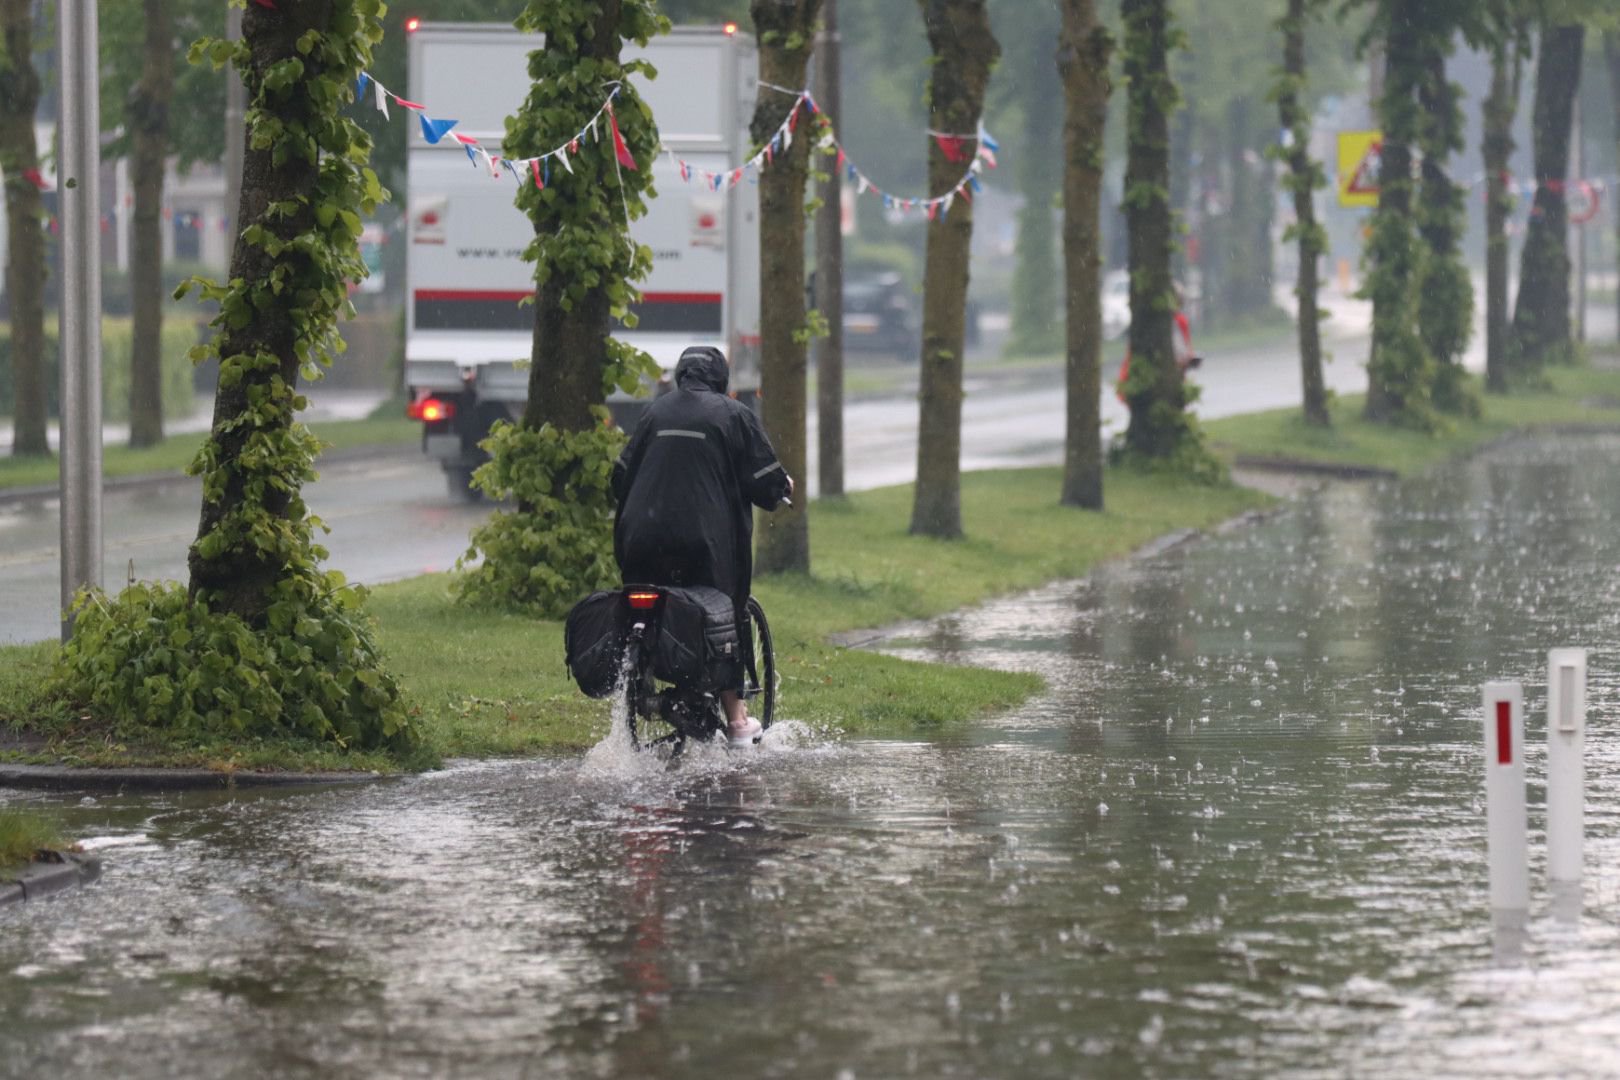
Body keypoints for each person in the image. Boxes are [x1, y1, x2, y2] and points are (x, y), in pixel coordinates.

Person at [611, 345, 794, 746]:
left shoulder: (653, 413)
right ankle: (737, 721)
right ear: (721, 380)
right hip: (705, 544)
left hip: (641, 539)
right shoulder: (733, 415)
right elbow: (765, 480)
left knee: (647, 597)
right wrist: (782, 488)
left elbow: (619, 476)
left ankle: (641, 682)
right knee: (726, 610)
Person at [1114, 287, 1201, 404]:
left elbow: (1184, 351)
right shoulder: (1157, 323)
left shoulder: (1178, 322)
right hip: (1149, 384)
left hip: (1165, 381)